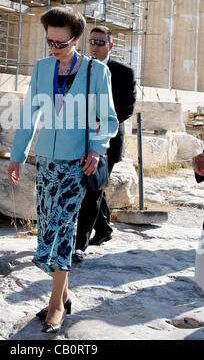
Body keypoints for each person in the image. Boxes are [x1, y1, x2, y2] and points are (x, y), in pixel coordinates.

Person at [7, 8, 118, 333]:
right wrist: (17, 155)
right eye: (49, 42)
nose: (53, 48)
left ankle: (56, 304)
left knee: (62, 228)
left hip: (77, 163)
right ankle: (64, 294)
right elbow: (30, 115)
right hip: (46, 162)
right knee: (46, 228)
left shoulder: (96, 72)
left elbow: (107, 118)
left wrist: (97, 150)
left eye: (60, 42)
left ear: (76, 39)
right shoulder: (42, 69)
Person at [74, 25, 136, 261]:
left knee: (92, 191)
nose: (95, 46)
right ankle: (105, 228)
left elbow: (126, 109)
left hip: (108, 140)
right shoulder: (81, 69)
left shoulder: (124, 72)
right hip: (81, 138)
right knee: (93, 184)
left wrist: (100, 122)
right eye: (92, 42)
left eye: (100, 42)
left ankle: (79, 245)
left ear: (111, 46)